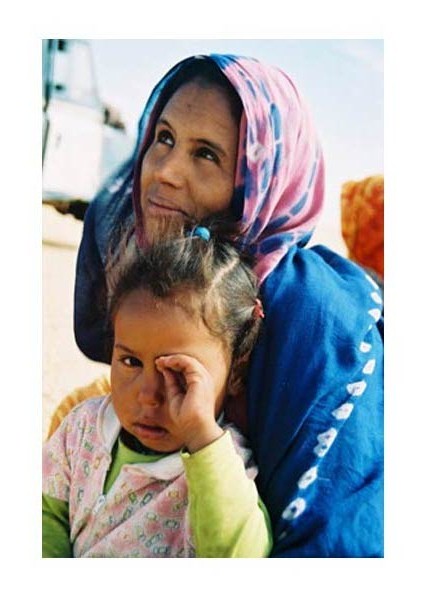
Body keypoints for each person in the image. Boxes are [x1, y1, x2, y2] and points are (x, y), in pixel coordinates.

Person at [67, 54, 383, 557]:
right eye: (163, 138)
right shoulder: (156, 280)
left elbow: (339, 542)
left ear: (261, 179)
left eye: (207, 155)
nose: (165, 172)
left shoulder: (312, 314)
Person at [43, 223, 272, 558]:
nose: (148, 395)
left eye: (177, 373)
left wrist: (201, 435)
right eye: (131, 361)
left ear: (236, 372)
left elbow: (241, 557)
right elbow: (45, 516)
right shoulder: (80, 430)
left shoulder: (223, 466)